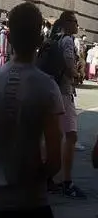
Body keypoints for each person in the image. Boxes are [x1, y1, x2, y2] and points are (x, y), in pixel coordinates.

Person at [0, 2, 63, 217]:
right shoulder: (48, 87)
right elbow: (54, 161)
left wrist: (1, 169)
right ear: (40, 41)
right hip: (32, 202)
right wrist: (32, 175)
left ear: (9, 39)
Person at [48, 11, 86, 199]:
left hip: (53, 91)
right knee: (71, 136)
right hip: (64, 93)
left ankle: (48, 177)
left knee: (52, 135)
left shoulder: (55, 37)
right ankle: (67, 182)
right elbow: (70, 69)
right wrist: (78, 76)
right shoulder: (68, 41)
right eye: (75, 22)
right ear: (68, 23)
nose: (77, 25)